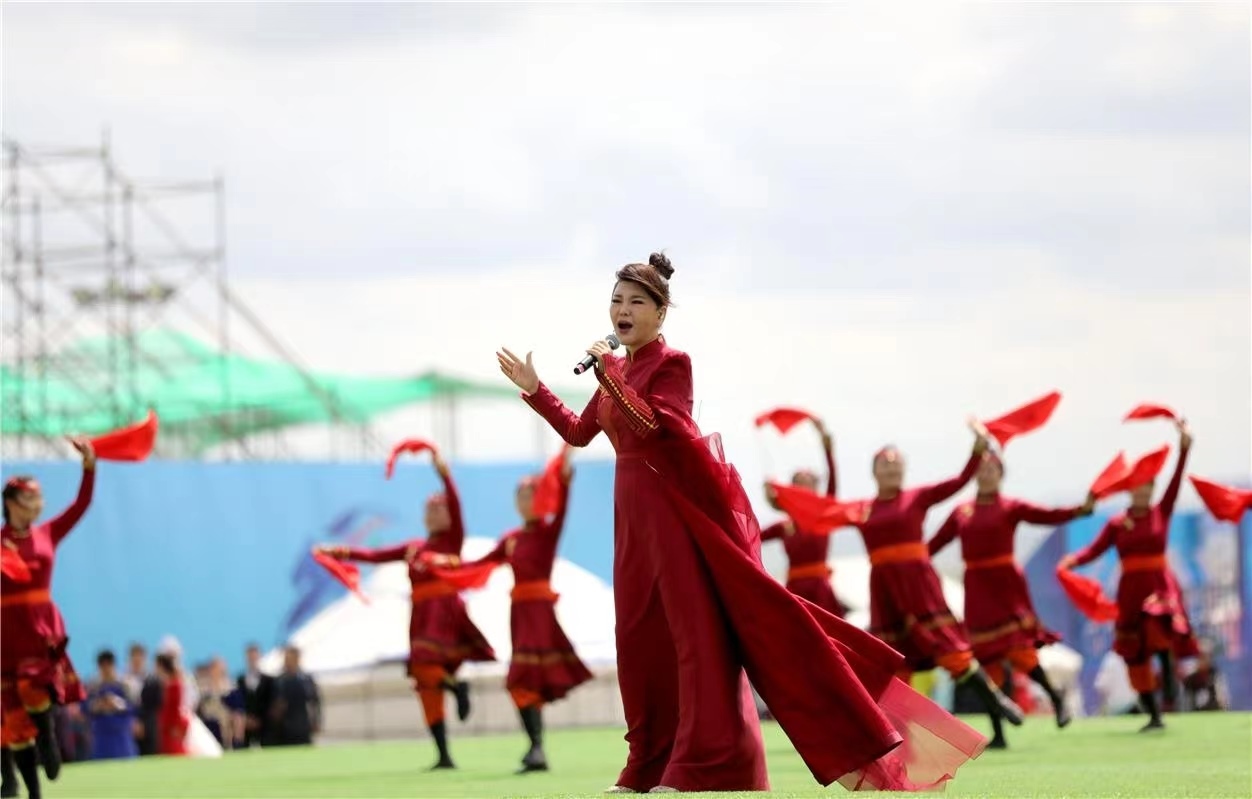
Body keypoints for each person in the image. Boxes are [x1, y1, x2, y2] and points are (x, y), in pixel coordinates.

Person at [497, 252, 986, 794]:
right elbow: (579, 432)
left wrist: (611, 376)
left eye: (636, 301)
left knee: (694, 641)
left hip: (674, 517)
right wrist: (536, 389)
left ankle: (698, 766)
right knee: (637, 642)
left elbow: (654, 426)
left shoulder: (671, 363)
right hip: (631, 522)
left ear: (661, 314)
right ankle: (644, 766)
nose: (623, 310)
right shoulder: (619, 371)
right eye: (616, 301)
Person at [317, 449, 495, 770]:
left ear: (449, 515)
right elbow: (375, 555)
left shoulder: (452, 541)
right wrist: (340, 552)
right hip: (421, 616)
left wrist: (444, 475)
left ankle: (457, 687)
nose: (433, 513)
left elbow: (457, 503)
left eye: (439, 509)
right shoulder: (413, 548)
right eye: (429, 509)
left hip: (446, 614)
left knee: (425, 666)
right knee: (425, 684)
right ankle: (443, 755)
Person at [927, 451, 1095, 748]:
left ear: (1000, 474)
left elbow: (1045, 515)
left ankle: (1056, 697)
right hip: (977, 589)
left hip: (1006, 586)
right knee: (984, 658)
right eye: (981, 469)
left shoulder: (1011, 506)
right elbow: (935, 544)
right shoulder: (961, 512)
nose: (985, 474)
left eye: (991, 469)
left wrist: (1078, 511)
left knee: (1019, 650)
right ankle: (999, 733)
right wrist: (908, 561)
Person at [454, 449, 592, 773]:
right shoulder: (511, 539)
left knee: (521, 679)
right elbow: (480, 564)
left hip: (539, 613)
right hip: (519, 613)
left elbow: (563, 509)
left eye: (530, 495)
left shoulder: (547, 531)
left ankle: (536, 748)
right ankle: (536, 749)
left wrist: (565, 483)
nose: (524, 501)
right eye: (520, 496)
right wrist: (447, 567)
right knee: (524, 682)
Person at [1059, 418, 1193, 732]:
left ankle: (1169, 674)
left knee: (1156, 629)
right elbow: (1094, 549)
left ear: (1153, 489)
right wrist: (1072, 561)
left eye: (1148, 485)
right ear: (1129, 489)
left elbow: (1176, 482)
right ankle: (1154, 715)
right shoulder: (1117, 524)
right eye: (1137, 486)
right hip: (1130, 591)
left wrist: (1184, 450)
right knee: (1134, 655)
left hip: (1159, 586)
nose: (1142, 491)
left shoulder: (1161, 512)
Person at [1, 436, 96, 798]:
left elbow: (80, 505)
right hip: (4, 632)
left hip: (38, 629)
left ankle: (48, 737)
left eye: (39, 498)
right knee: (13, 720)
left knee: (34, 688)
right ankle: (32, 791)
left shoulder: (47, 534)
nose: (38, 505)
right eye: (30, 498)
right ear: (11, 502)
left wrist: (88, 467)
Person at [761, 418, 847, 617]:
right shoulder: (784, 526)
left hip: (821, 590)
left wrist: (827, 449)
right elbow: (751, 535)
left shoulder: (824, 515)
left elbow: (832, 481)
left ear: (816, 489)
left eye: (808, 483)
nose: (803, 488)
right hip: (795, 592)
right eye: (798, 483)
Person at [85, 650, 137, 760]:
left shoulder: (125, 686)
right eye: (102, 666)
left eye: (108, 665)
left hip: (121, 739)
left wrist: (117, 704)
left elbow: (133, 708)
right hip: (101, 739)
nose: (106, 670)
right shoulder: (93, 688)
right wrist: (98, 706)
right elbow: (85, 708)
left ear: (113, 665)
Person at [266, 647, 320, 747]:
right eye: (286, 659)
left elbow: (315, 702)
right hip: (284, 729)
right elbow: (273, 705)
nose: (287, 662)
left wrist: (316, 721)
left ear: (297, 659)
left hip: (303, 727)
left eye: (290, 659)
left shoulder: (306, 679)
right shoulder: (279, 681)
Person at [235, 644, 273, 748]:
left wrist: (260, 720)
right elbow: (238, 703)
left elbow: (270, 703)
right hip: (245, 726)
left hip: (264, 726)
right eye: (250, 657)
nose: (252, 659)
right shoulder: (240, 680)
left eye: (254, 656)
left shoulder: (268, 680)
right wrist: (246, 719)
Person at [154, 653, 188, 756]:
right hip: (166, 725)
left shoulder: (174, 685)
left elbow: (175, 707)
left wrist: (176, 725)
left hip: (172, 726)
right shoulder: (168, 683)